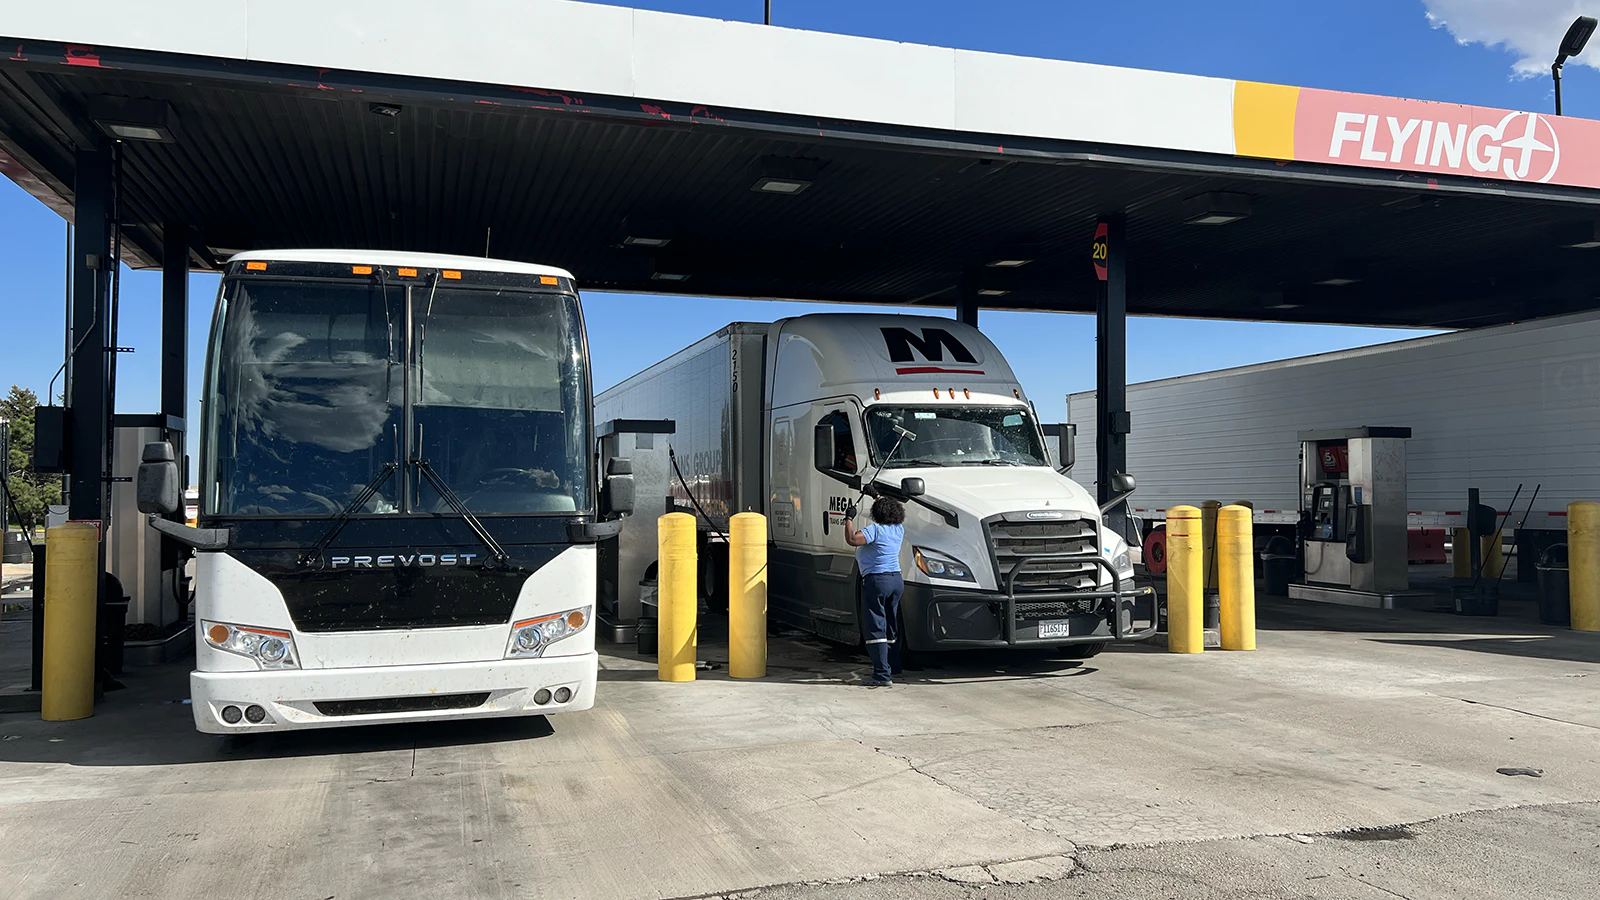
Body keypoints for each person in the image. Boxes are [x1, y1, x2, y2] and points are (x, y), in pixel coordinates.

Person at [844, 496, 906, 687]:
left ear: (876, 513)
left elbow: (852, 539)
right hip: (896, 580)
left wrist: (848, 518)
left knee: (875, 626)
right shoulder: (898, 529)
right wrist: (876, 496)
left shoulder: (875, 530)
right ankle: (893, 666)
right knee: (890, 624)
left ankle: (881, 675)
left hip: (877, 580)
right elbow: (888, 508)